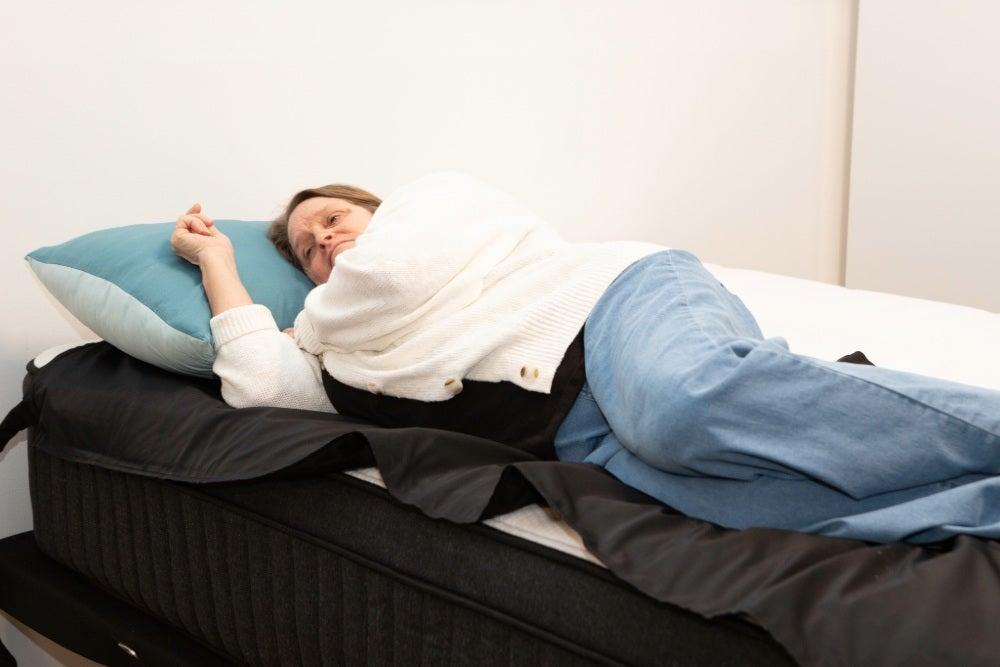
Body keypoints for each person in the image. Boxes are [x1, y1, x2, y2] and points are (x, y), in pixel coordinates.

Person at [171, 171, 1000, 544]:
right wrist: (220, 269)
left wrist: (310, 321)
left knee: (687, 406)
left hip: (618, 305)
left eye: (333, 217)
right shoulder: (342, 347)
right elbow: (259, 389)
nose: (326, 240)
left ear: (370, 204)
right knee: (765, 514)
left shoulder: (433, 205)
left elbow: (386, 275)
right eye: (312, 250)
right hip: (574, 429)